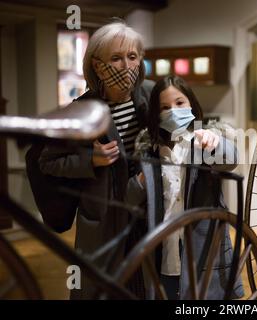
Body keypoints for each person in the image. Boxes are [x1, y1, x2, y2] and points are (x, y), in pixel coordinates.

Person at [38, 21, 154, 299]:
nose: (126, 65)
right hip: (103, 219)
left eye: (132, 56)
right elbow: (47, 161)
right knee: (99, 290)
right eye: (115, 58)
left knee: (147, 286)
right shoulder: (81, 110)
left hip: (148, 213)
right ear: (97, 65)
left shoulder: (152, 95)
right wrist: (90, 159)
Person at [130, 75, 244, 299]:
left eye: (179, 103)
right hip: (164, 252)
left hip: (202, 252)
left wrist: (215, 141)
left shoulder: (203, 141)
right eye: (164, 107)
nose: (173, 111)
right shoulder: (150, 152)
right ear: (156, 113)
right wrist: (142, 179)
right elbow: (130, 198)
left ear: (191, 103)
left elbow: (231, 159)